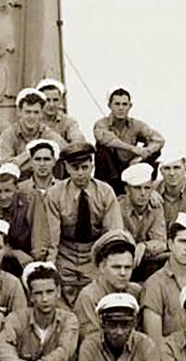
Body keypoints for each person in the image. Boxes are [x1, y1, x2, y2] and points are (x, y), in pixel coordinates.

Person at [37, 141, 123, 303]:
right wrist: (50, 265)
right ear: (67, 168)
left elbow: (113, 233)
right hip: (65, 252)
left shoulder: (105, 192)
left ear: (92, 165)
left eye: (85, 167)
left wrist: (104, 262)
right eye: (75, 168)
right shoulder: (55, 194)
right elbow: (52, 235)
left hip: (94, 251)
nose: (80, 173)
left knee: (96, 296)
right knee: (59, 296)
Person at [74, 292, 161, 361]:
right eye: (112, 325)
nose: (119, 332)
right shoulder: (89, 346)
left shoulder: (146, 345)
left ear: (134, 323)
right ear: (102, 324)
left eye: (125, 325)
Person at [140, 215, 186, 344]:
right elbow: (154, 341)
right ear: (171, 244)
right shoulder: (155, 284)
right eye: (183, 241)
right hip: (166, 360)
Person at [72, 230, 143, 340]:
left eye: (128, 267)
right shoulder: (89, 297)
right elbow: (92, 341)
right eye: (116, 267)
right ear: (102, 267)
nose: (123, 273)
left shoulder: (136, 292)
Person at [92, 88, 164, 189]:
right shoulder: (101, 124)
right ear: (110, 106)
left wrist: (140, 157)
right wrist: (131, 148)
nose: (121, 108)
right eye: (117, 104)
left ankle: (145, 185)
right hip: (109, 172)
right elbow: (106, 139)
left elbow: (158, 139)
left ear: (130, 106)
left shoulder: (136, 125)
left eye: (124, 104)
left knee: (155, 151)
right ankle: (114, 187)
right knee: (102, 149)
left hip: (130, 166)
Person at [0, 87, 65, 175]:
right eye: (28, 112)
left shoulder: (46, 132)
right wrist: (31, 151)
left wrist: (23, 164)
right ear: (19, 112)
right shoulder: (8, 135)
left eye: (36, 112)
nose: (32, 117)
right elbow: (7, 168)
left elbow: (66, 150)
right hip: (18, 183)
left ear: (41, 114)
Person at [118, 164, 167, 279]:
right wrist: (135, 247)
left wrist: (144, 246)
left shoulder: (156, 208)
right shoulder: (117, 208)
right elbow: (118, 240)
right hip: (123, 261)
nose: (143, 193)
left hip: (147, 260)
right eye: (137, 188)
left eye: (147, 188)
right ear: (127, 189)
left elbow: (161, 242)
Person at [0, 164, 36, 268]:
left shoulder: (28, 207)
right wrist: (15, 253)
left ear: (17, 188)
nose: (3, 197)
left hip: (27, 260)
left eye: (8, 191)